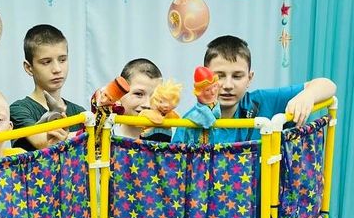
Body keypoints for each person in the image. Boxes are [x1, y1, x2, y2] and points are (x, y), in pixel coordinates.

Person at [173, 35, 337, 144]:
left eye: (237, 76)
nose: (228, 85)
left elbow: (328, 85)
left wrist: (308, 95)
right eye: (219, 76)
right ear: (205, 78)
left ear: (249, 79)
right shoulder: (191, 120)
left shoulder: (262, 101)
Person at [10, 24, 85, 151]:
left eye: (62, 60)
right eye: (46, 62)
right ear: (29, 68)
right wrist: (85, 134)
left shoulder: (79, 112)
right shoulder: (19, 109)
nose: (57, 69)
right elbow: (45, 142)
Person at [112, 58, 164, 140]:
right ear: (120, 94)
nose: (147, 104)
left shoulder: (168, 140)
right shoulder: (103, 136)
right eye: (138, 94)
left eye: (155, 97)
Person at [179, 67, 221, 145]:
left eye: (214, 86)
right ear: (199, 93)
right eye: (207, 90)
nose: (213, 92)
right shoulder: (191, 116)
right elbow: (178, 141)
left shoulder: (216, 109)